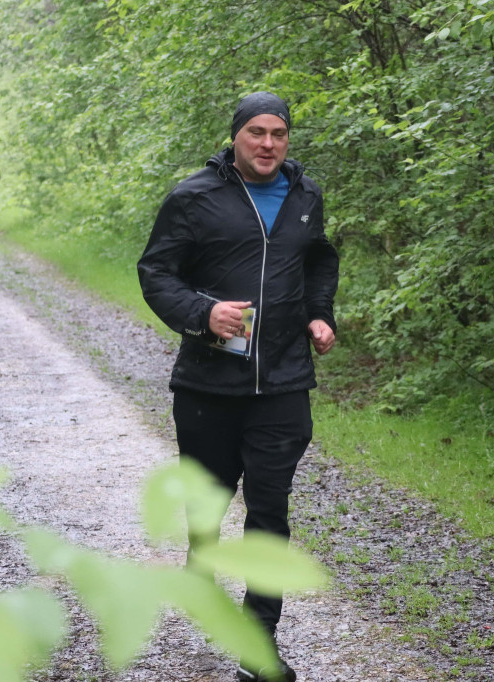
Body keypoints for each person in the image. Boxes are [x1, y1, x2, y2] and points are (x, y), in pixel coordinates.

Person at [137, 92, 339, 682]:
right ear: (235, 137)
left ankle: (258, 647)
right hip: (208, 384)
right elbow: (156, 273)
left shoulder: (305, 195)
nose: (269, 144)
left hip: (283, 381)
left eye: (279, 134)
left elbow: (318, 261)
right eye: (257, 133)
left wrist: (319, 314)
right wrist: (202, 313)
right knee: (209, 500)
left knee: (270, 512)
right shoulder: (194, 197)